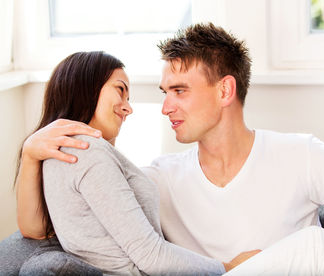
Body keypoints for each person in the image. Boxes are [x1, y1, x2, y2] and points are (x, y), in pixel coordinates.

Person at [13, 23, 324, 274]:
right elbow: (38, 229)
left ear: (224, 91)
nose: (165, 107)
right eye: (165, 93)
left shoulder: (302, 154)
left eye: (179, 90)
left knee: (316, 249)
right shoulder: (158, 179)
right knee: (316, 246)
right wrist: (30, 155)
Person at [14, 50, 241, 275]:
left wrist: (30, 155)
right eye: (120, 90)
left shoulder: (62, 150)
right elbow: (151, 256)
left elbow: (35, 229)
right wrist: (230, 267)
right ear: (85, 86)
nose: (128, 108)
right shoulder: (86, 151)